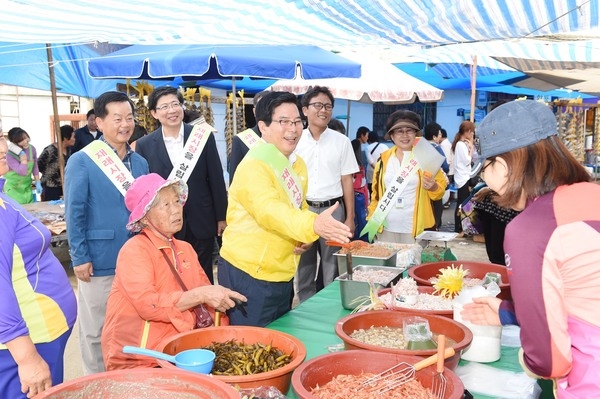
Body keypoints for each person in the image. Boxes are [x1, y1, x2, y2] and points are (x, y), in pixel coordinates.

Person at [460, 100, 600, 398]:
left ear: (507, 163)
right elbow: (581, 294)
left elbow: (550, 362)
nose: (484, 179)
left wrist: (530, 359)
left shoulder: (531, 228)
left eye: (484, 167)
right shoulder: (592, 195)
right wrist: (510, 312)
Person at [218, 91, 352, 327]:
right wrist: (312, 225)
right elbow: (269, 211)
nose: (293, 129)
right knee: (251, 345)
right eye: (283, 122)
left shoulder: (296, 163)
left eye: (297, 121)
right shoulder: (255, 164)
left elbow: (298, 207)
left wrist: (305, 237)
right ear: (263, 126)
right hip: (251, 272)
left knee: (278, 339)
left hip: (282, 270)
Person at [102, 173, 246, 370]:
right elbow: (148, 305)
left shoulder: (185, 248)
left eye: (177, 201)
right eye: (165, 205)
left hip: (179, 351)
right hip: (141, 358)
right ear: (144, 217)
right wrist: (200, 295)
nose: (176, 210)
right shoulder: (135, 250)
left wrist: (219, 300)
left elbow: (205, 295)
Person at [65, 91, 149, 375]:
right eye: (117, 119)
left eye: (129, 118)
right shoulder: (82, 160)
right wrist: (79, 256)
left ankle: (126, 379)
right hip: (99, 259)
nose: (125, 124)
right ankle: (97, 383)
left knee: (131, 323)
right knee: (96, 328)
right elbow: (74, 212)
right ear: (99, 122)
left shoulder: (140, 163)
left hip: (137, 257)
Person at [0, 132, 77, 398]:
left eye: (1, 137)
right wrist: (27, 358)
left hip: (43, 332)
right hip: (26, 341)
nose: (4, 148)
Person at [135, 86, 228, 284]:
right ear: (154, 113)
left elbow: (216, 178)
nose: (172, 110)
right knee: (171, 276)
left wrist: (221, 216)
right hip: (164, 222)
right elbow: (146, 188)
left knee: (202, 273)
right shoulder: (144, 144)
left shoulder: (202, 137)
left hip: (201, 219)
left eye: (175, 104)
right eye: (164, 107)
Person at [294, 86, 358, 303]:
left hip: (334, 212)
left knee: (333, 268)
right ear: (304, 110)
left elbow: (347, 180)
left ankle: (329, 311)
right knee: (304, 268)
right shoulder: (294, 140)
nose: (323, 110)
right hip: (304, 212)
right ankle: (306, 311)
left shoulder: (342, 141)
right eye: (318, 105)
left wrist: (350, 217)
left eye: (328, 106)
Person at [366, 110, 447, 244]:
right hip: (386, 228)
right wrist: (371, 220)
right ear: (391, 135)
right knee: (387, 264)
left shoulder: (427, 156)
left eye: (409, 130)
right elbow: (375, 195)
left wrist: (433, 187)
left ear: (416, 134)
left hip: (416, 230)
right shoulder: (383, 161)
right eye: (399, 131)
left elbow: (439, 192)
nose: (405, 135)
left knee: (414, 265)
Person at [229, 90, 269, 184]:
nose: (266, 112)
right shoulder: (241, 140)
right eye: (261, 108)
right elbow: (234, 181)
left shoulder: (284, 138)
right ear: (254, 111)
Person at [37, 125, 75, 201]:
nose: (74, 139)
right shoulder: (50, 150)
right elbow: (38, 164)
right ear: (65, 138)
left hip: (64, 185)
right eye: (73, 137)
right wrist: (49, 173)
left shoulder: (69, 150)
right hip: (51, 187)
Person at [451, 120, 476, 234]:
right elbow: (467, 160)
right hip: (462, 177)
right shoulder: (460, 144)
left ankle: (461, 227)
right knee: (462, 203)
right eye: (471, 132)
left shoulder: (461, 143)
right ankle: (458, 228)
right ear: (467, 132)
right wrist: (471, 148)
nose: (472, 135)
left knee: (463, 203)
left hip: (463, 176)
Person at [423, 122, 449, 230]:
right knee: (437, 208)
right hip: (435, 183)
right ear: (434, 136)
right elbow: (445, 166)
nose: (440, 137)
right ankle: (435, 228)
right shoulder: (437, 148)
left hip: (424, 184)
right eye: (439, 134)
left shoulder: (421, 147)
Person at [4, 127, 41, 204]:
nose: (25, 141)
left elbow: (35, 166)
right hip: (13, 189)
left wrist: (37, 181)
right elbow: (23, 171)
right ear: (14, 143)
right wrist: (22, 156)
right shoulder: (9, 155)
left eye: (26, 137)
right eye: (21, 140)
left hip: (26, 187)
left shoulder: (32, 149)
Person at [366, 130, 388, 195]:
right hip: (384, 171)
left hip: (371, 172)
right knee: (383, 189)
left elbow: (371, 161)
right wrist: (381, 171)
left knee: (372, 191)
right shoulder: (385, 146)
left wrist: (377, 171)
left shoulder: (368, 148)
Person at [439, 128, 454, 208]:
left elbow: (447, 160)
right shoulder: (446, 143)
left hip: (447, 170)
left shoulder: (444, 145)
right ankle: (446, 202)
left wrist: (445, 169)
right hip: (449, 170)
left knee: (445, 186)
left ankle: (445, 202)